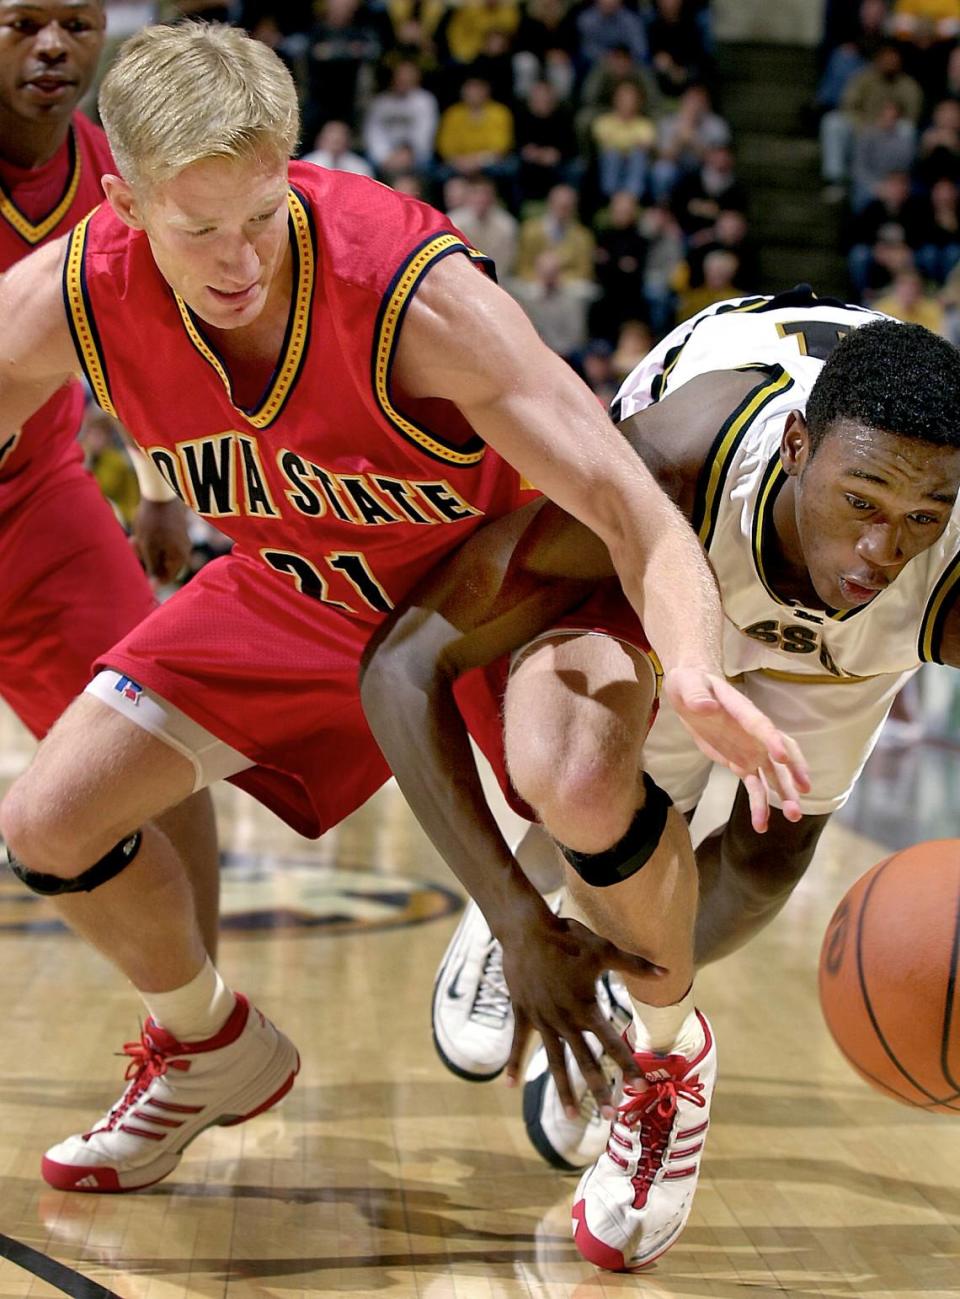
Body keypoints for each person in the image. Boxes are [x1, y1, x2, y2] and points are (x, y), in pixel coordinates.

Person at [0, 22, 803, 1199]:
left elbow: (631, 510)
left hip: (493, 587)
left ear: (295, 164)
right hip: (299, 584)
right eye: (198, 229)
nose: (239, 262)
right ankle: (208, 1043)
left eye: (263, 217)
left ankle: (671, 1057)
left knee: (576, 782)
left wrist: (687, 665)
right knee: (48, 821)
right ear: (120, 200)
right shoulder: (64, 296)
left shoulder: (410, 294)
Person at [372, 290, 960, 1268]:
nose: (881, 551)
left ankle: (621, 984)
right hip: (679, 541)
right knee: (591, 768)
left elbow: (898, 529)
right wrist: (512, 910)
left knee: (772, 856)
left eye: (920, 518)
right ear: (798, 447)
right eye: (863, 504)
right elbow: (402, 665)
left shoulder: (934, 565)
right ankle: (645, 1023)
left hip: (849, 639)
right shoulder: (675, 464)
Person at [0, 0, 220, 990]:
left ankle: (204, 1026)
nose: (52, 47)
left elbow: (148, 336)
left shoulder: (115, 173)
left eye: (75, 24)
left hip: (39, 496)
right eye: (22, 23)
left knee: (159, 738)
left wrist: (161, 488)